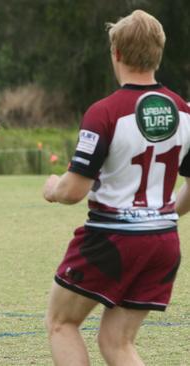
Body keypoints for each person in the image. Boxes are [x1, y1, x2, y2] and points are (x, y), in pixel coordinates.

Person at [42, 10, 190, 366]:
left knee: (62, 323)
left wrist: (52, 188)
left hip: (112, 240)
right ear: (158, 53)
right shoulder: (184, 112)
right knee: (117, 343)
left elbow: (74, 190)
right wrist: (160, 212)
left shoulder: (105, 112)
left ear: (117, 53)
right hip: (164, 242)